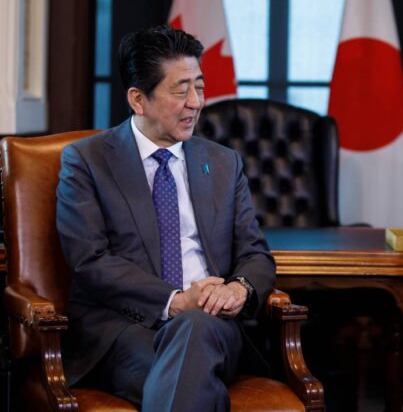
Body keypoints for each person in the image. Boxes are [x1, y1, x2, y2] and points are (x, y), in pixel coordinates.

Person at [56, 25, 275, 411]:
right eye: (180, 90)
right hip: (125, 330)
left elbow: (255, 253)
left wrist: (237, 289)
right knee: (190, 381)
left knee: (194, 332)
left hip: (213, 325)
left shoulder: (223, 163)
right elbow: (89, 260)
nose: (196, 102)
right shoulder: (88, 161)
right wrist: (174, 300)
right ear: (138, 100)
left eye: (200, 87)